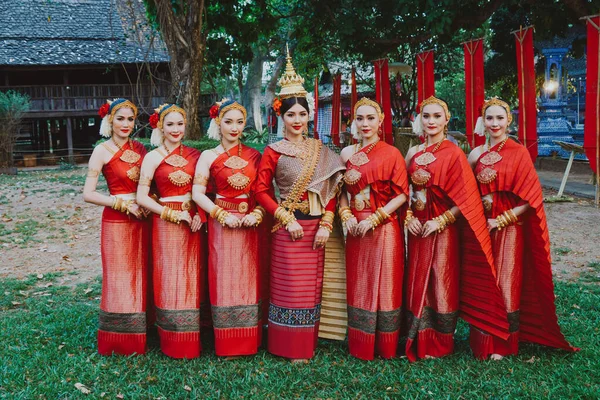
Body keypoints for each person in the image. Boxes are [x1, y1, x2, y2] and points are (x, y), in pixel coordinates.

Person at [468, 97, 578, 359]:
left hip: (509, 227)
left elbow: (531, 199)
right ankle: (482, 339)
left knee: (505, 282)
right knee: (483, 281)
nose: (494, 123)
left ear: (509, 121)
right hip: (482, 227)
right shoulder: (475, 154)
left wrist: (501, 219)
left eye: (499, 118)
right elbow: (466, 190)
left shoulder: (518, 152)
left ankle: (503, 343)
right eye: (489, 118)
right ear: (483, 121)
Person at [403, 96, 509, 362]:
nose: (431, 121)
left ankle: (439, 343)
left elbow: (467, 197)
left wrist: (440, 221)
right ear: (420, 119)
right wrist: (407, 217)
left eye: (437, 116)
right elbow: (404, 190)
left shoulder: (454, 154)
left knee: (441, 281)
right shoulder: (413, 152)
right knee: (416, 280)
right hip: (417, 227)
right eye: (426, 116)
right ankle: (416, 336)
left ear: (446, 120)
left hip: (443, 228)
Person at [255, 50, 345, 361]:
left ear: (309, 116)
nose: (297, 120)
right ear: (281, 117)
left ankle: (306, 344)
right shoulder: (273, 151)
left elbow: (333, 189)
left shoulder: (320, 149)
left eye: (302, 114)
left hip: (315, 229)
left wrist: (326, 223)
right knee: (288, 288)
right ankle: (285, 345)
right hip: (287, 228)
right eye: (291, 115)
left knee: (311, 289)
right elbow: (260, 191)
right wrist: (285, 217)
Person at [192, 99, 266, 357]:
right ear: (217, 123)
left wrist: (257, 213)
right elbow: (197, 193)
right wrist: (221, 215)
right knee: (223, 277)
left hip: (249, 224)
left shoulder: (255, 155)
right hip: (221, 222)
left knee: (249, 277)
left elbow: (264, 192)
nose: (234, 127)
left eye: (239, 122)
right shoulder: (208, 156)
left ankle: (249, 338)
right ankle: (226, 340)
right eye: (228, 121)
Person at [339, 98, 409, 360]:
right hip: (356, 228)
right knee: (360, 281)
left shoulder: (391, 153)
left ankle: (386, 345)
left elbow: (402, 194)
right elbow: (341, 192)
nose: (365, 124)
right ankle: (361, 342)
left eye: (371, 118)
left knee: (386, 282)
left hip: (383, 225)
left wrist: (375, 218)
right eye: (360, 118)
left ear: (381, 120)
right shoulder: (347, 154)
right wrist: (346, 216)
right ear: (353, 121)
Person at [136, 104, 205, 359]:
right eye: (170, 125)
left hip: (193, 222)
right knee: (170, 276)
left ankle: (193, 335)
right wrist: (171, 214)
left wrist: (201, 214)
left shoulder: (196, 155)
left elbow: (204, 192)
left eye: (180, 124)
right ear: (160, 127)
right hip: (166, 222)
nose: (176, 129)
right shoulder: (153, 157)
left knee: (192, 275)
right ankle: (173, 338)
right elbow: (141, 197)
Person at [83, 98, 151, 356]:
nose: (125, 124)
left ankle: (144, 330)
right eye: (120, 118)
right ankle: (119, 340)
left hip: (143, 219)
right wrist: (121, 204)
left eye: (130, 119)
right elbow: (88, 194)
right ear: (109, 120)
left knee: (142, 273)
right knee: (119, 277)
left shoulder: (142, 149)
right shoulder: (102, 150)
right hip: (117, 221)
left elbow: (151, 184)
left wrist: (149, 202)